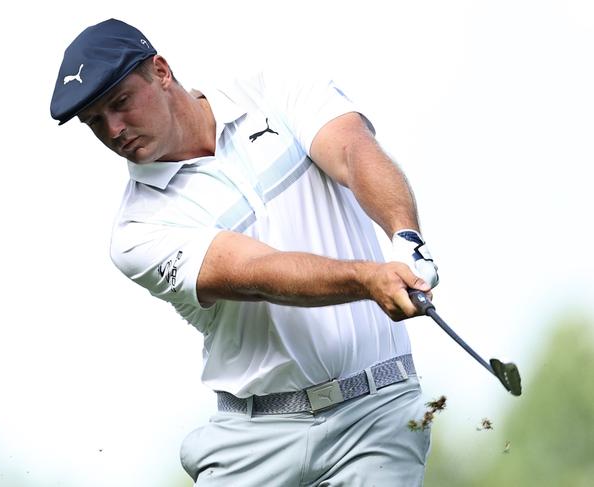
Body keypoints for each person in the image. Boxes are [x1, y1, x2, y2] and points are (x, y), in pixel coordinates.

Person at [51, 18, 440, 487]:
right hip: (256, 440)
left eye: (120, 103)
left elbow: (354, 151)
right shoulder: (137, 230)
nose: (114, 130)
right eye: (95, 122)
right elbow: (257, 271)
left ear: (160, 70)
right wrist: (368, 278)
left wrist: (406, 239)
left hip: (379, 412)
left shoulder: (275, 91)